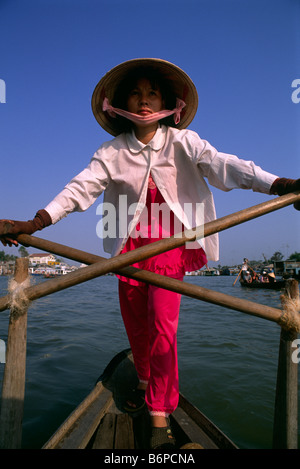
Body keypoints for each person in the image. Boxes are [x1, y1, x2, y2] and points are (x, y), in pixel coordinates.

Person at [0, 58, 299, 449]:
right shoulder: (111, 151)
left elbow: (228, 167)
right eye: (136, 94)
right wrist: (36, 222)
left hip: (170, 249)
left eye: (152, 93)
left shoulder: (184, 142)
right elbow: (79, 190)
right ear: (123, 103)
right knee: (137, 326)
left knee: (162, 327)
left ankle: (160, 416)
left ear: (165, 102)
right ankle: (144, 379)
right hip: (127, 251)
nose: (144, 101)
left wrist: (279, 184)